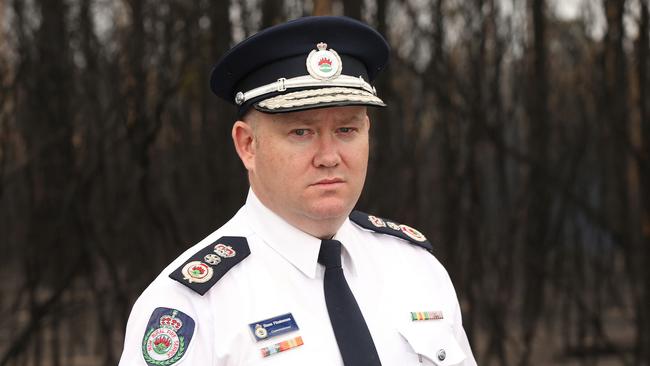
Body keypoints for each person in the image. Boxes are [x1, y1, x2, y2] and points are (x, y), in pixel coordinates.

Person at [118, 16, 477, 366]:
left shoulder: (416, 269)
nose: (329, 157)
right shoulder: (193, 307)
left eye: (347, 130)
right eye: (301, 132)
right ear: (247, 145)